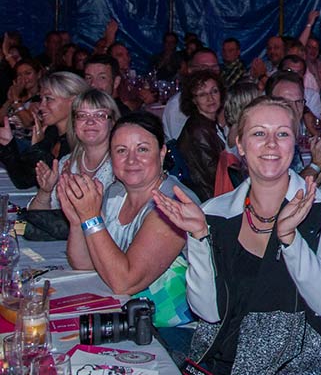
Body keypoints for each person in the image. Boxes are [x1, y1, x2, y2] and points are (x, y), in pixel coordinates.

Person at [155, 97, 321, 375]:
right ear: (240, 146)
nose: (271, 144)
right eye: (259, 133)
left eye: (282, 133)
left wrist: (290, 239)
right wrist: (199, 237)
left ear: (295, 143)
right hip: (223, 367)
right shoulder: (215, 213)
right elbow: (209, 313)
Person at [57, 112, 201, 294]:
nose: (131, 160)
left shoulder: (172, 205)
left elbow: (125, 283)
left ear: (161, 153)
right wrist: (79, 223)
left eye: (142, 149)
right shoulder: (115, 193)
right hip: (123, 305)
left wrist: (91, 218)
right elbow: (85, 263)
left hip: (163, 311)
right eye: (121, 151)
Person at [31, 89, 120, 210]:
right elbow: (35, 216)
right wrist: (46, 191)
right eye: (82, 115)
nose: (90, 121)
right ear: (74, 124)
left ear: (113, 123)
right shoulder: (66, 162)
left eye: (100, 115)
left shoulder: (121, 166)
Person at [0, 71, 87, 189]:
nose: (41, 106)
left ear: (73, 101)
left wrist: (37, 148)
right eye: (42, 99)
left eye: (49, 99)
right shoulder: (51, 133)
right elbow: (24, 180)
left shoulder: (83, 140)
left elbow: (56, 186)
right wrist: (8, 144)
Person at [176, 70, 226, 201]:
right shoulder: (199, 130)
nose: (210, 98)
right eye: (203, 94)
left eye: (214, 91)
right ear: (194, 100)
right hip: (209, 198)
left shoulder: (208, 123)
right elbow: (215, 175)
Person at [162, 48, 221, 141]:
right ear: (190, 70)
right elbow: (180, 144)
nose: (210, 72)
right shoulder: (177, 105)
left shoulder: (220, 99)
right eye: (204, 68)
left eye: (214, 67)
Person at [0, 58, 43, 142]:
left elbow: (28, 123)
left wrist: (16, 100)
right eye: (19, 75)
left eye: (28, 73)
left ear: (38, 74)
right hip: (8, 140)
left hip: (26, 142)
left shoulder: (42, 98)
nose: (24, 78)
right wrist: (10, 100)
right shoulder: (19, 97)